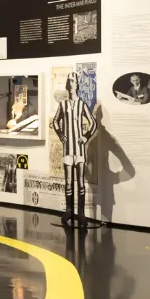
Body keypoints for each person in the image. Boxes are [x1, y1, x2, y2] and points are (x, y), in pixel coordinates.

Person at [52, 72, 97, 225]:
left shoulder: (82, 104)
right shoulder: (63, 104)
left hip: (79, 150)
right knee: (69, 182)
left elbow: (93, 123)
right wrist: (61, 135)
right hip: (67, 149)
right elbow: (55, 121)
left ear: (77, 84)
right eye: (70, 80)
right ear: (68, 84)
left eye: (75, 81)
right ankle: (69, 211)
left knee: (81, 183)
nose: (73, 83)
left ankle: (81, 213)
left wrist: (85, 137)